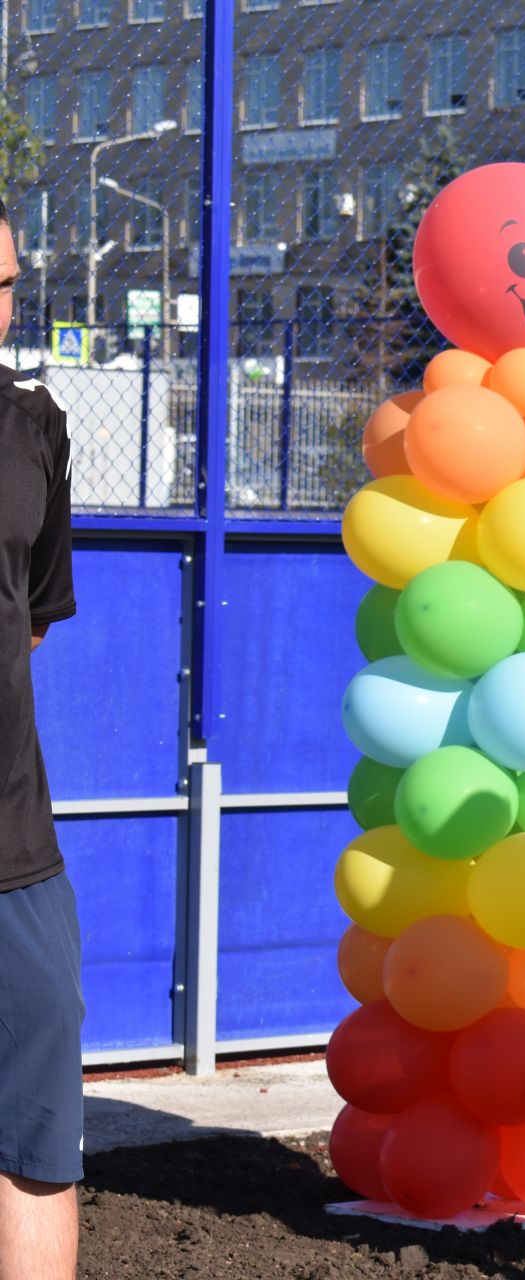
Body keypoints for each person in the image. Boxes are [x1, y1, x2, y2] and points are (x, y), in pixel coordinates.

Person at [0, 197, 84, 1280]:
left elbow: (27, 623)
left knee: (38, 1145)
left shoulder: (34, 430)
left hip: (16, 853)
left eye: (9, 282)